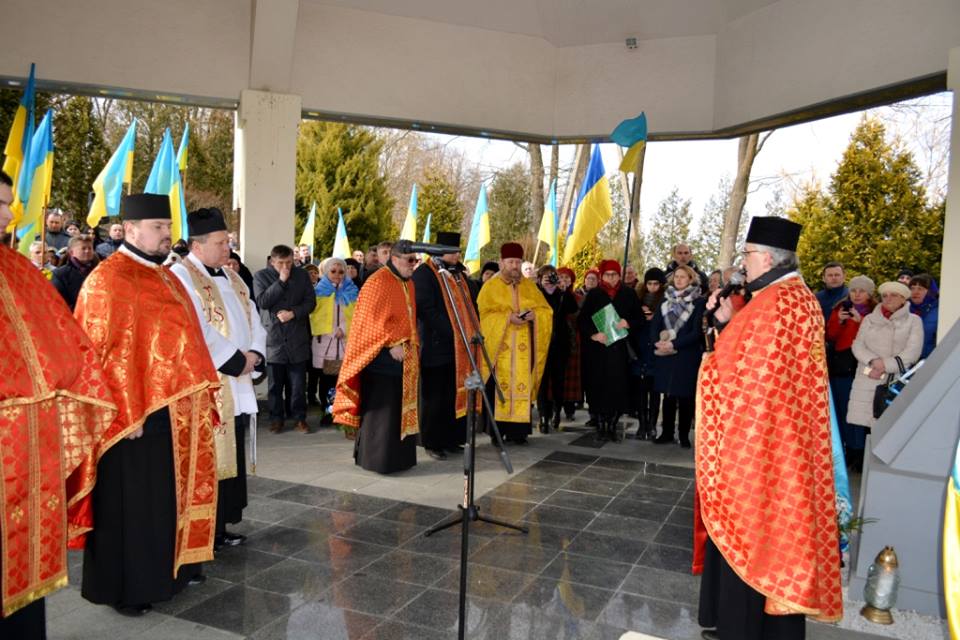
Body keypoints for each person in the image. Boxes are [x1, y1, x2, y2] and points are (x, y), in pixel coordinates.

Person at [696, 216, 843, 640]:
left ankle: (743, 631)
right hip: (781, 440)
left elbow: (743, 377)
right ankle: (741, 626)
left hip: (762, 445)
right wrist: (727, 323)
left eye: (747, 254)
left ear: (767, 257)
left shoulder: (777, 303)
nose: (743, 263)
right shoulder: (794, 298)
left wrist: (720, 338)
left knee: (752, 535)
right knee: (763, 537)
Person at [75, 193, 220, 615]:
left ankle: (167, 574)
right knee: (131, 508)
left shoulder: (166, 276)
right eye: (157, 227)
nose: (166, 234)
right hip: (130, 420)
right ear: (130, 229)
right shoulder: (107, 279)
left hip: (172, 412)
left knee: (161, 502)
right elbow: (95, 352)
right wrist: (124, 412)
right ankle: (127, 589)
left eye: (168, 227)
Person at [0, 171, 115, 639]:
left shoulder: (19, 270)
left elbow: (66, 347)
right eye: (0, 204)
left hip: (29, 451)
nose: (9, 214)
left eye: (10, 203)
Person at [170, 207, 267, 551]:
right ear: (197, 246)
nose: (228, 248)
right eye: (220, 242)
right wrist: (237, 361)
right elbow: (196, 328)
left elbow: (254, 317)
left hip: (237, 381)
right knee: (209, 458)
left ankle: (221, 525)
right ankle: (203, 529)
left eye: (227, 241)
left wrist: (255, 355)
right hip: (212, 384)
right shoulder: (181, 276)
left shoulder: (233, 277)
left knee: (231, 456)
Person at [333, 240, 420, 473]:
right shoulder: (378, 281)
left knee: (397, 409)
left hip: (404, 358)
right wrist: (391, 343)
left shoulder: (408, 283)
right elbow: (368, 319)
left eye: (415, 260)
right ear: (395, 259)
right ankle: (378, 460)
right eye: (410, 260)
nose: (413, 265)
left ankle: (400, 459)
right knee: (382, 413)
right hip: (380, 358)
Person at [412, 232, 479, 459]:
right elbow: (426, 309)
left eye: (458, 251)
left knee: (454, 394)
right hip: (436, 344)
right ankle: (432, 442)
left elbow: (471, 304)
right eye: (452, 252)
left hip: (460, 347)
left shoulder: (459, 274)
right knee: (434, 397)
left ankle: (451, 439)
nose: (457, 255)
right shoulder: (425, 273)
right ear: (439, 252)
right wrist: (453, 331)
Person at [478, 243, 551, 445]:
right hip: (499, 349)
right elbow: (483, 315)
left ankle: (518, 433)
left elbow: (546, 310)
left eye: (518, 262)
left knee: (521, 387)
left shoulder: (530, 286)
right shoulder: (490, 287)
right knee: (497, 390)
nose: (514, 266)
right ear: (501, 262)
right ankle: (497, 433)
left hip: (523, 350)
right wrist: (507, 318)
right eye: (510, 262)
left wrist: (535, 315)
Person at [846, 280, 924, 471]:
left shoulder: (913, 321)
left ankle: (890, 469)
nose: (888, 299)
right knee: (869, 426)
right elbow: (858, 345)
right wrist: (873, 361)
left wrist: (885, 365)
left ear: (903, 299)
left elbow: (913, 351)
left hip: (894, 380)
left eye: (894, 295)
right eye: (885, 295)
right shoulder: (869, 319)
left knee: (893, 427)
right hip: (868, 377)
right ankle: (870, 468)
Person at [254, 245, 316, 433]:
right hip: (274, 337)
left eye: (289, 262)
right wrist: (281, 281)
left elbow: (311, 303)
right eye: (281, 263)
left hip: (297, 337)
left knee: (298, 385)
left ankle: (299, 418)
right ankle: (276, 419)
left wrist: (293, 313)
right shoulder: (261, 276)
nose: (286, 267)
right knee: (275, 384)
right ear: (272, 261)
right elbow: (263, 302)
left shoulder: (302, 275)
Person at [578, 259, 641, 442]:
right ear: (602, 276)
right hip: (597, 351)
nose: (611, 278)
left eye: (614, 274)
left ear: (619, 275)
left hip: (619, 350)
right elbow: (583, 320)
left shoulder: (628, 294)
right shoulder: (594, 294)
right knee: (597, 386)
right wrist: (593, 335)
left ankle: (612, 424)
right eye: (607, 274)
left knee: (617, 387)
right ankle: (600, 424)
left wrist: (628, 323)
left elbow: (639, 319)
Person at [650, 265, 705, 448]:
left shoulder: (699, 302)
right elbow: (655, 325)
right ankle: (666, 432)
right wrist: (657, 342)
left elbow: (696, 332)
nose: (679, 280)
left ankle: (683, 435)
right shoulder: (665, 300)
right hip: (665, 354)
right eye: (676, 277)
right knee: (668, 395)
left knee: (685, 397)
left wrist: (674, 344)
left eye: (683, 277)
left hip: (686, 355)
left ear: (690, 279)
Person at [825, 275, 875, 467]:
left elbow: (872, 340)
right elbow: (830, 335)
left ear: (869, 294)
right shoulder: (840, 308)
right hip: (841, 366)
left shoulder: (874, 312)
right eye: (854, 290)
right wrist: (839, 321)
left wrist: (859, 321)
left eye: (862, 291)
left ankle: (859, 450)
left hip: (861, 366)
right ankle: (846, 450)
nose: (857, 294)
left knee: (859, 410)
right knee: (841, 410)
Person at [311, 257, 358, 422]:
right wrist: (332, 331)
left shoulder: (352, 291)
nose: (337, 274)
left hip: (345, 342)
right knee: (325, 380)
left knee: (343, 381)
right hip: (325, 342)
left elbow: (357, 315)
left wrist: (343, 329)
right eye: (333, 271)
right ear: (326, 272)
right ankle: (327, 411)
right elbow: (315, 316)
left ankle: (342, 412)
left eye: (341, 271)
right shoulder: (318, 291)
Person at [535, 265, 578, 433]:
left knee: (558, 381)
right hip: (541, 343)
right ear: (540, 279)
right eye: (546, 277)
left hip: (560, 344)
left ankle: (556, 412)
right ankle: (543, 416)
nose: (550, 280)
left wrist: (564, 290)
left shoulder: (561, 295)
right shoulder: (535, 294)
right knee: (542, 382)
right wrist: (540, 287)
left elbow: (573, 308)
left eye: (553, 276)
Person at [631, 267, 666, 439]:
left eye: (656, 283)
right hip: (640, 349)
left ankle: (652, 425)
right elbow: (632, 322)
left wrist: (654, 318)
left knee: (654, 390)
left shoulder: (665, 302)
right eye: (649, 283)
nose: (652, 287)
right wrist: (641, 316)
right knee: (640, 391)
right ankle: (642, 424)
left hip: (656, 350)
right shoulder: (637, 300)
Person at [557, 266, 582, 421]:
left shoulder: (578, 298)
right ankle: (554, 409)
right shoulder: (552, 295)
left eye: (567, 278)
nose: (564, 280)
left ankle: (570, 409)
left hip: (573, 340)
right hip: (557, 340)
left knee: (571, 377)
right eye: (561, 277)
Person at [51, 234, 97, 310]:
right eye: (83, 248)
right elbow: (58, 302)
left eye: (90, 248)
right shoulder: (60, 274)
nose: (87, 251)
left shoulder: (99, 271)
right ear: (71, 252)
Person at [908, 273, 939, 359]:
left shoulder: (939, 311)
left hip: (930, 360)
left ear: (930, 292)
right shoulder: (903, 309)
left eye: (920, 288)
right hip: (905, 361)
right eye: (912, 288)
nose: (915, 292)